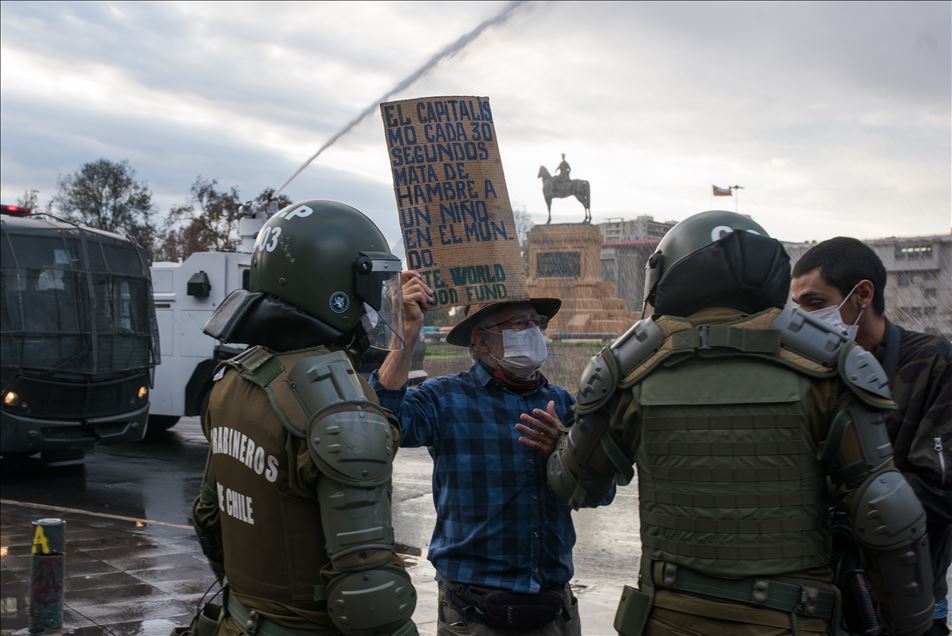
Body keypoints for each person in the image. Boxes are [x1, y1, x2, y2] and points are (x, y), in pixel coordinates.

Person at [547, 210, 935, 636]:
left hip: (669, 618)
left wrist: (559, 442)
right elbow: (887, 510)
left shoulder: (628, 370)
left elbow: (578, 486)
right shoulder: (830, 365)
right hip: (793, 619)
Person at [184, 200, 418, 636]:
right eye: (372, 286)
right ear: (334, 288)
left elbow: (208, 516)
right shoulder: (339, 408)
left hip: (240, 620)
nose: (376, 306)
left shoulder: (234, 380)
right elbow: (369, 596)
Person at [372, 281, 605, 635]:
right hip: (474, 612)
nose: (531, 332)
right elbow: (380, 425)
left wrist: (567, 452)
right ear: (480, 341)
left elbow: (600, 493)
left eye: (535, 322)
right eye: (517, 325)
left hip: (554, 611)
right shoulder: (445, 398)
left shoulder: (563, 404)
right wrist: (403, 336)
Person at [791, 236, 951, 636]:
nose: (803, 318)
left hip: (909, 599)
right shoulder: (809, 369)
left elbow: (940, 488)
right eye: (798, 307)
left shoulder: (933, 363)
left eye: (815, 303)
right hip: (819, 600)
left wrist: (832, 502)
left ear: (863, 294)